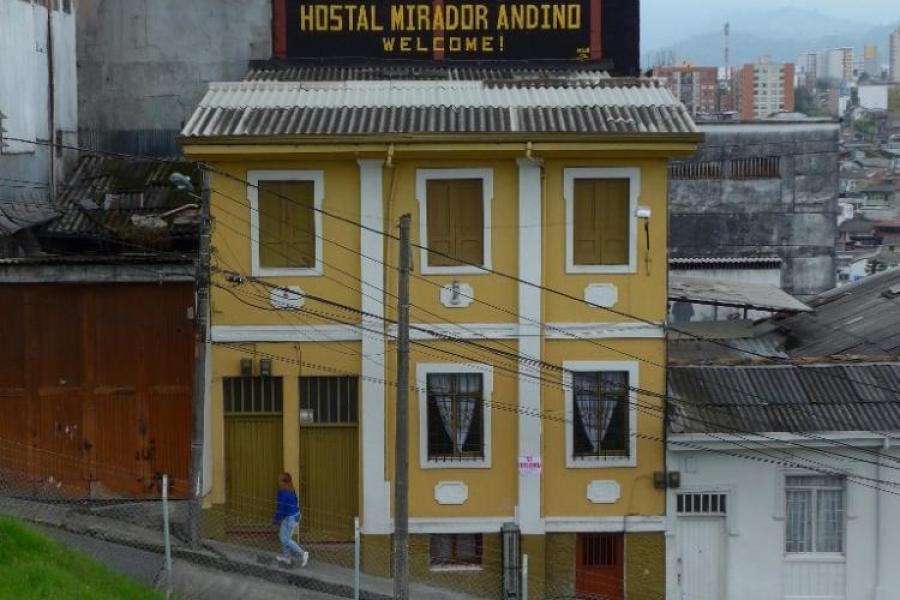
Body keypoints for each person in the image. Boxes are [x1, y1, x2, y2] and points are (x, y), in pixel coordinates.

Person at [272, 472, 309, 568]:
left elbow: (281, 508)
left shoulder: (284, 493)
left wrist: (276, 520)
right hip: (293, 515)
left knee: (285, 539)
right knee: (283, 537)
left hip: (290, 518)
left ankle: (303, 553)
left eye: (279, 480)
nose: (278, 481)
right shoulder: (290, 490)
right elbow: (294, 502)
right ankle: (286, 557)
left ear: (284, 482)